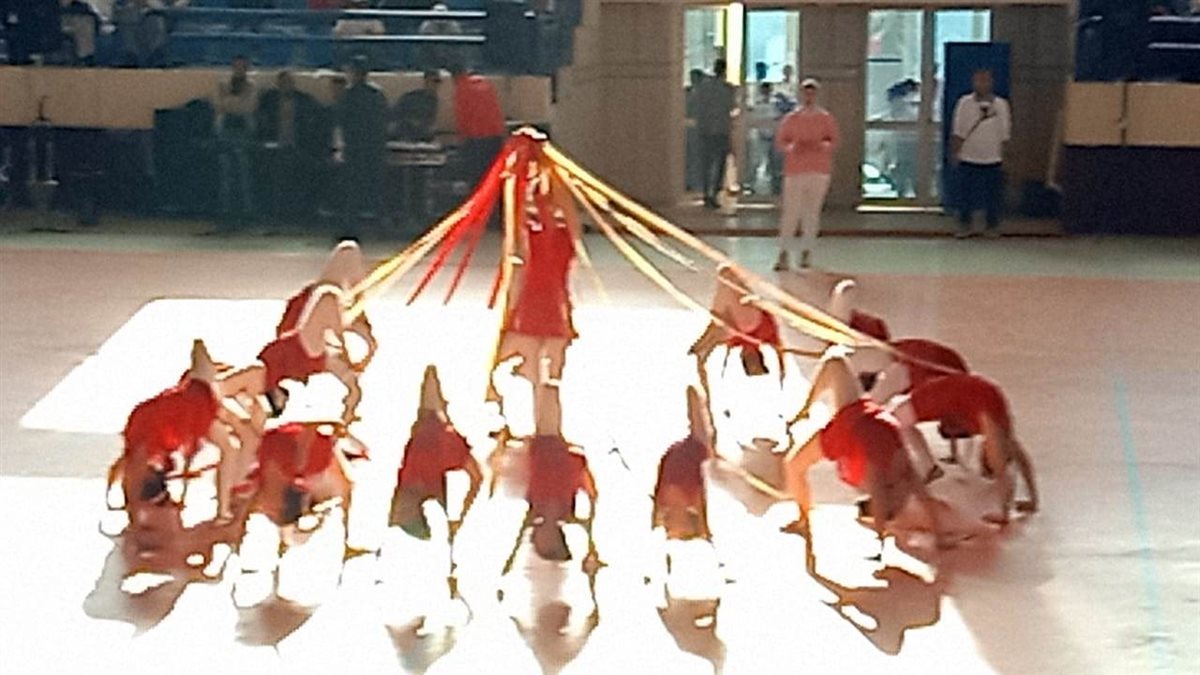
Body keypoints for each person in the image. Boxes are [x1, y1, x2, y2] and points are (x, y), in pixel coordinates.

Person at [783, 347, 949, 555]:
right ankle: (803, 519)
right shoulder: (900, 471)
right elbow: (921, 496)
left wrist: (880, 543)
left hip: (855, 429)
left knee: (794, 464)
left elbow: (887, 497)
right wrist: (938, 535)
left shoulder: (887, 474)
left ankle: (803, 519)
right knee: (835, 363)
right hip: (864, 423)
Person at [889, 373, 1039, 520]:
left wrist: (1032, 498)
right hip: (947, 395)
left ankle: (925, 469)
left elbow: (1017, 460)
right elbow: (1004, 466)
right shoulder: (991, 422)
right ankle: (923, 470)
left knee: (894, 423)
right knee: (893, 424)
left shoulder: (995, 423)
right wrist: (1007, 509)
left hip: (952, 392)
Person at [390, 365, 483, 541]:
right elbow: (477, 477)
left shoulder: (436, 437)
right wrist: (460, 518)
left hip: (410, 516)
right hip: (426, 518)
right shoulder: (445, 438)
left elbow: (477, 477)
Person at [774, 78, 839, 271]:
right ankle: (784, 251)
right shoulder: (791, 119)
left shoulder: (825, 118)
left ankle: (807, 251)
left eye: (812, 93)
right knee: (791, 212)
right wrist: (793, 147)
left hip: (818, 170)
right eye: (805, 93)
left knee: (811, 212)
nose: (809, 97)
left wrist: (821, 145)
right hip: (795, 170)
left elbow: (833, 140)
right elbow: (781, 142)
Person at [950, 68, 1011, 239]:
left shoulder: (1001, 105)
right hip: (968, 155)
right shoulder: (964, 103)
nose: (981, 84)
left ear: (992, 83)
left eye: (985, 81)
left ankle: (992, 225)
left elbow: (1005, 133)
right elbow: (958, 129)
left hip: (993, 157)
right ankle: (965, 225)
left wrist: (1006, 156)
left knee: (993, 195)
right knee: (965, 195)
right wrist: (955, 152)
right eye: (978, 80)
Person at [256, 71, 324, 217]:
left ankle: (300, 211)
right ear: (278, 85)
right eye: (283, 83)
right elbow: (261, 121)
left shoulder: (304, 100)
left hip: (298, 146)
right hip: (275, 146)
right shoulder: (269, 100)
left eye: (289, 82)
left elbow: (315, 120)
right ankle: (274, 211)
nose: (287, 86)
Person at [338, 55, 388, 225]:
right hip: (373, 147)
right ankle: (379, 221)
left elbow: (342, 121)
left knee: (353, 186)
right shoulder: (376, 94)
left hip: (355, 147)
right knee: (375, 185)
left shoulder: (349, 94)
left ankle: (351, 221)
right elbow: (383, 120)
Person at [214, 55, 258, 227]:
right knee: (225, 173)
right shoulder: (223, 84)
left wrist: (231, 103)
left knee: (244, 172)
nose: (239, 69)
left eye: (242, 66)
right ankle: (226, 211)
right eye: (236, 66)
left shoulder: (252, 86)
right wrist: (237, 103)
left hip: (244, 132)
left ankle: (247, 211)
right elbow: (220, 105)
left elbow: (249, 107)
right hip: (225, 131)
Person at [449, 61, 507, 192]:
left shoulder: (462, 88)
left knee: (477, 181)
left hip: (477, 140)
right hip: (495, 136)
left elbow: (462, 116)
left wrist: (461, 140)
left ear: (454, 77)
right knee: (494, 176)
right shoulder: (485, 83)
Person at [692, 59, 736, 209]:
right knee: (720, 165)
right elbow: (731, 107)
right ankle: (715, 193)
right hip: (721, 131)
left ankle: (706, 193)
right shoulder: (727, 89)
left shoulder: (704, 87)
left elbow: (697, 106)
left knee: (706, 164)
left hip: (706, 131)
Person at [393, 70, 441, 142]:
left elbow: (430, 121)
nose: (436, 85)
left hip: (421, 134)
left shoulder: (433, 100)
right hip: (406, 131)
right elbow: (397, 115)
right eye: (434, 81)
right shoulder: (412, 97)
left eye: (438, 82)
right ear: (426, 81)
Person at [419, 2, 463, 70]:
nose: (440, 15)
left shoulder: (454, 26)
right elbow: (423, 47)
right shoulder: (426, 26)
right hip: (431, 58)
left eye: (442, 13)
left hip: (450, 59)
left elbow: (458, 48)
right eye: (438, 13)